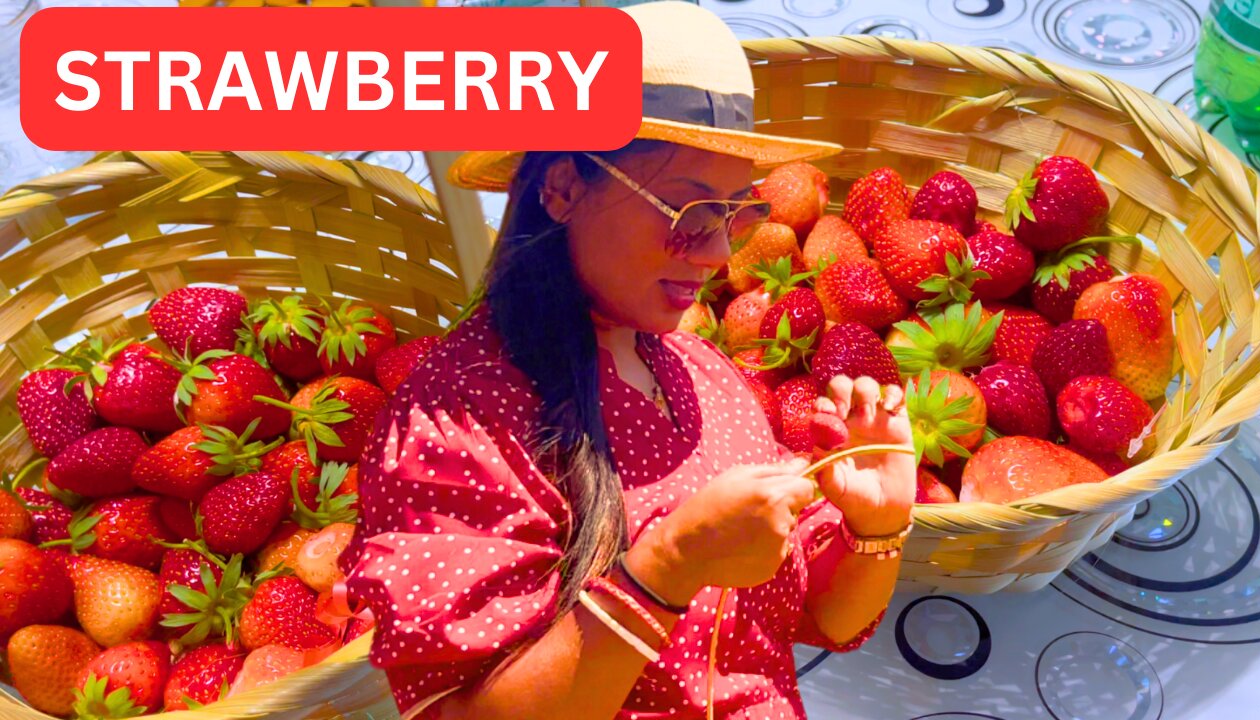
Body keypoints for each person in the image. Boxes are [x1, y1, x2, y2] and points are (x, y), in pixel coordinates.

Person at [340, 3, 916, 718]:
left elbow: (811, 621)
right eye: (687, 211)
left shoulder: (707, 375)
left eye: (738, 211)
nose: (718, 251)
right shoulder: (460, 427)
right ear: (563, 189)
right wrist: (663, 573)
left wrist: (877, 527)